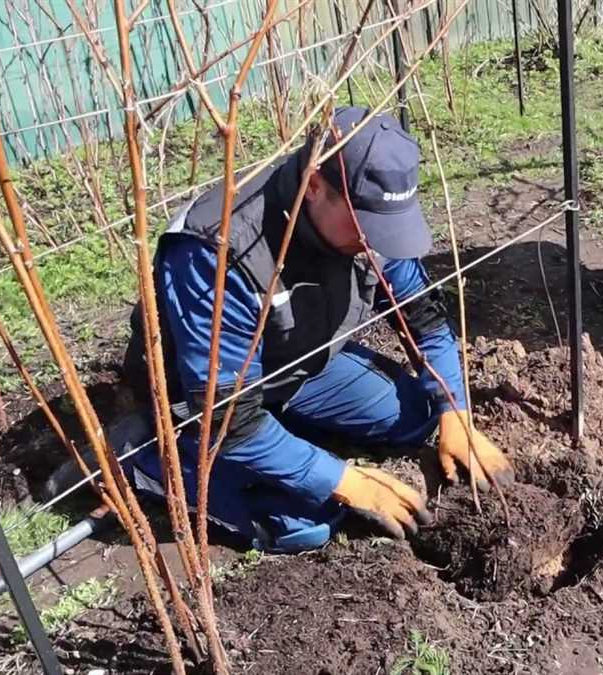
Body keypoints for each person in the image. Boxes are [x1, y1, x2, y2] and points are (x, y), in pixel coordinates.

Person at [118, 105, 514, 553]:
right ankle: (143, 455)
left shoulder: (372, 218)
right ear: (315, 186)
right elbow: (231, 418)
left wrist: (456, 410)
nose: (374, 240)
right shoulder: (217, 249)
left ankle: (286, 438)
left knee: (418, 415)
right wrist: (345, 480)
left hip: (296, 364)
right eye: (365, 225)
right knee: (305, 523)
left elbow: (425, 319)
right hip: (202, 399)